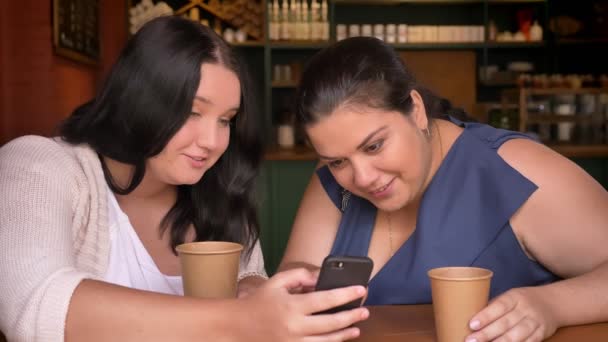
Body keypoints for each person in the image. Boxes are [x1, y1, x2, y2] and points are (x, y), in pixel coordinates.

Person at [0, 16, 369, 342]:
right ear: (138, 99)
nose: (212, 143)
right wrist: (243, 319)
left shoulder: (217, 190)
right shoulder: (40, 165)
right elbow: (33, 306)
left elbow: (248, 278)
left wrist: (257, 292)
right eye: (192, 112)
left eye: (225, 120)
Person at [279, 36, 608, 342]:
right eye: (337, 161)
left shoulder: (514, 169)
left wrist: (551, 305)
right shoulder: (334, 179)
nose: (361, 178)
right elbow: (295, 276)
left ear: (416, 110)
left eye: (375, 146)